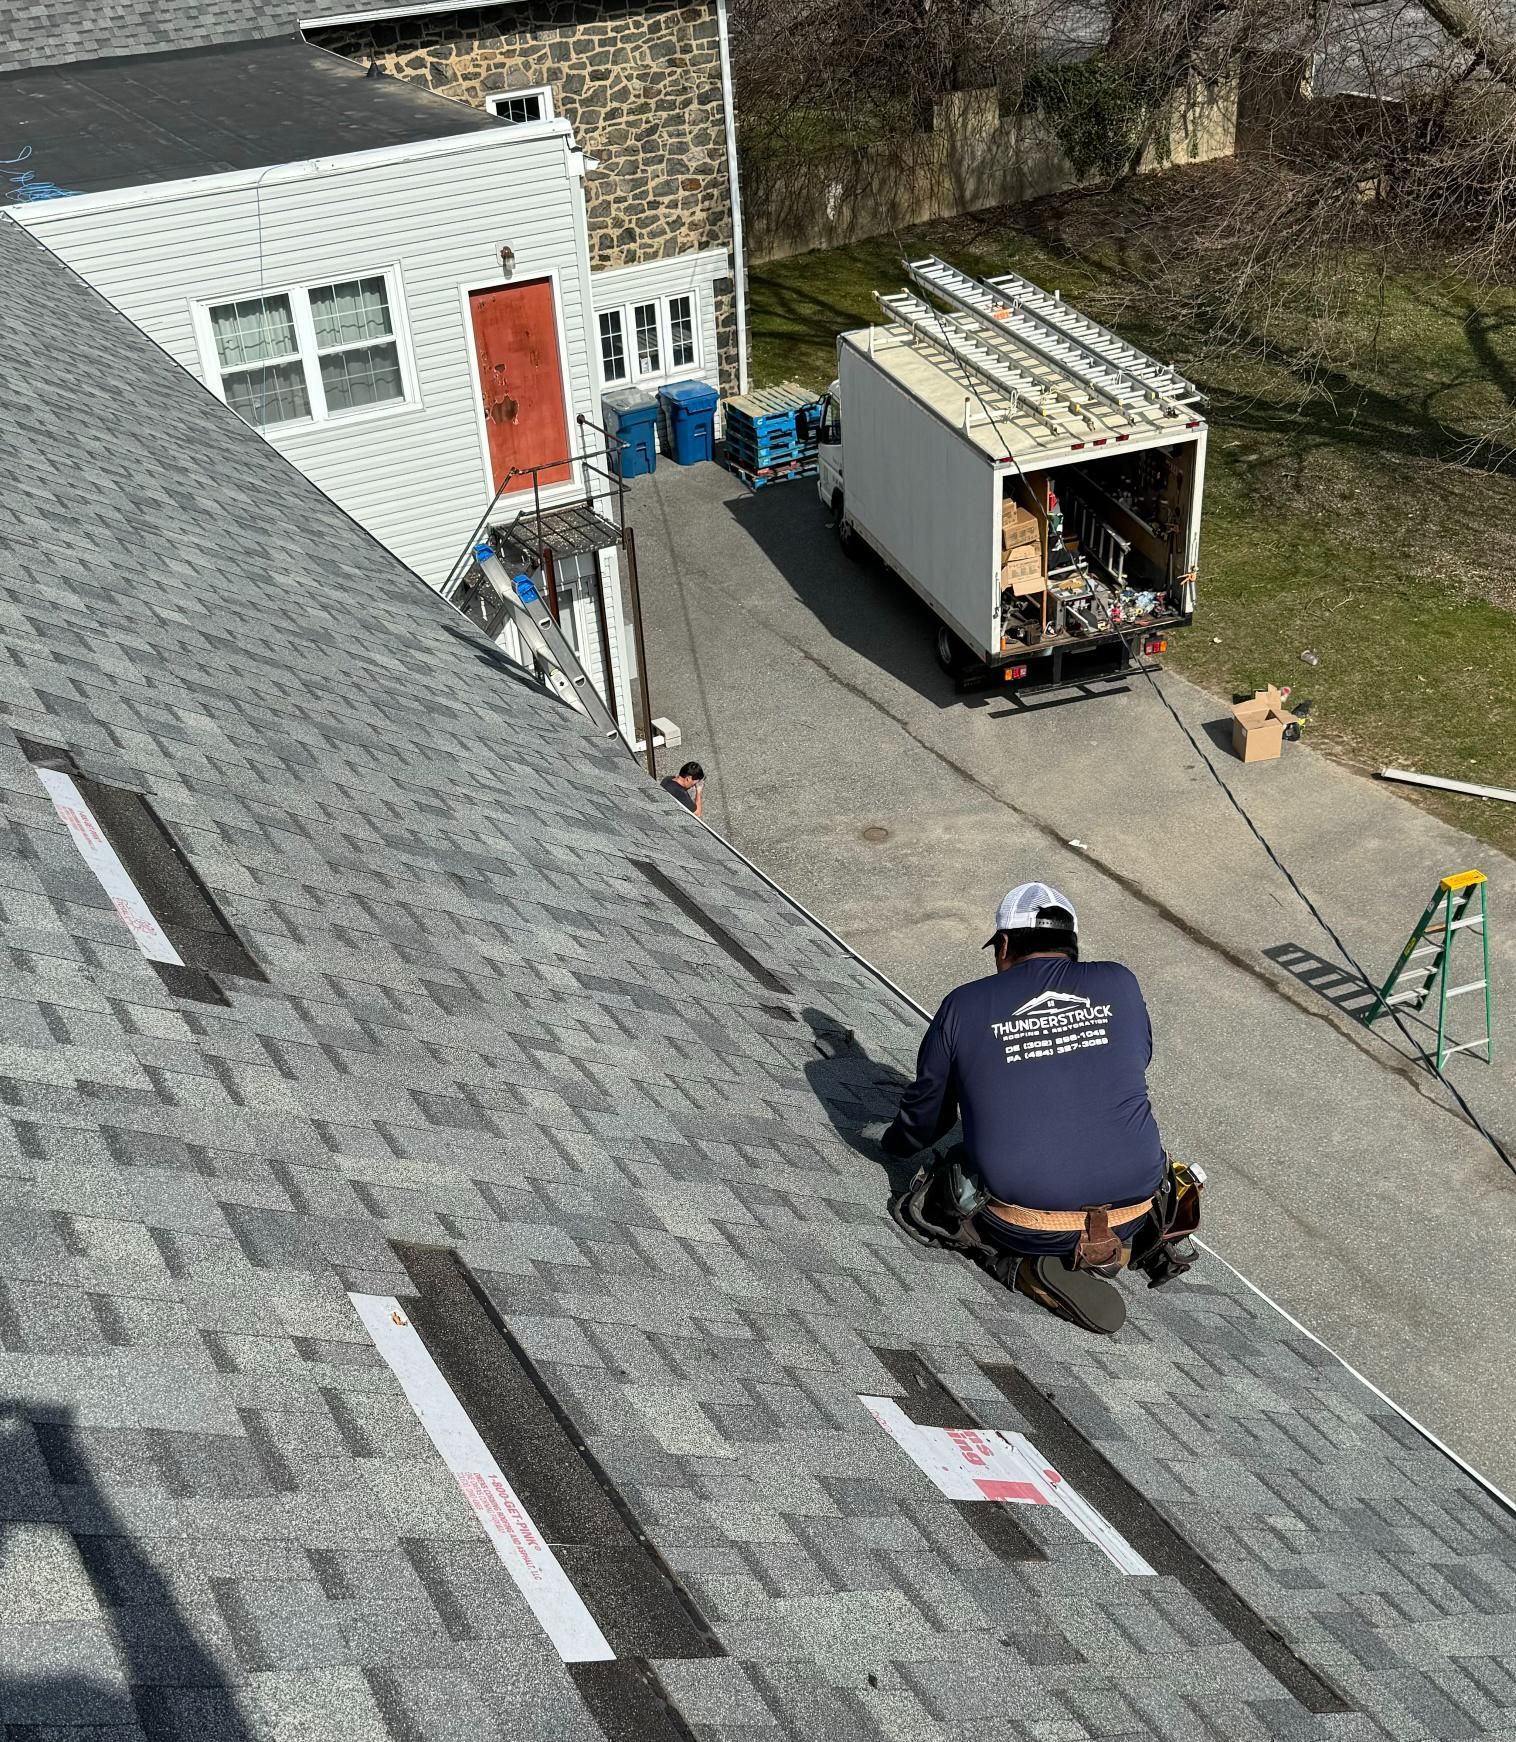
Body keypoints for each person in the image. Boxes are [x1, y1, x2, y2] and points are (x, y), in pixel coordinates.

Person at [882, 881, 1201, 1333]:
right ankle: (1120, 1246)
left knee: (949, 1178)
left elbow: (928, 1118)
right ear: (1071, 944)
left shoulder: (964, 1004)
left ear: (1005, 944)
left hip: (1024, 1223)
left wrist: (894, 1145)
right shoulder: (1120, 981)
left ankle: (1020, 1264)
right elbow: (1134, 1060)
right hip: (1136, 1210)